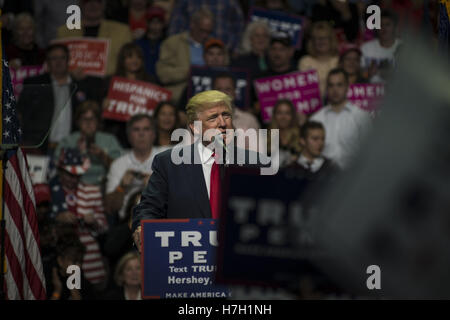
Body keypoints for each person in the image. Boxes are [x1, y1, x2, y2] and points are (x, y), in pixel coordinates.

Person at [132, 90, 269, 249]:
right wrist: (142, 227)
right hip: (188, 257)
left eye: (226, 115)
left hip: (239, 255)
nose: (223, 123)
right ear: (195, 127)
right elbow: (149, 207)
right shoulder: (169, 164)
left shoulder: (256, 163)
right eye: (213, 118)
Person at [17, 44, 103, 154]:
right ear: (47, 62)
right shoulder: (35, 84)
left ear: (68, 60)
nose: (58, 62)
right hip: (40, 148)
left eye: (62, 58)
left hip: (73, 146)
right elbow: (20, 113)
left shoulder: (82, 85)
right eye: (54, 58)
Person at [49, 147, 109, 287]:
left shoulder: (92, 191)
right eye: (69, 174)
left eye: (77, 175)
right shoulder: (50, 191)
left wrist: (93, 222)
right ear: (60, 171)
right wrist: (57, 218)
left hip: (89, 262)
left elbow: (104, 228)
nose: (73, 179)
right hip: (60, 261)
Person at [310, 68, 371, 169]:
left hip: (353, 175)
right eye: (331, 85)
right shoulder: (316, 119)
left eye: (339, 85)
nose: (335, 90)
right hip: (322, 177)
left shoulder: (361, 117)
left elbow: (369, 150)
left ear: (347, 86)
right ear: (327, 88)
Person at [104, 114, 165, 215]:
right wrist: (121, 187)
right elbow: (110, 208)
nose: (141, 134)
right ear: (129, 136)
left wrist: (156, 186)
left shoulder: (165, 158)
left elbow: (181, 198)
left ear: (154, 134)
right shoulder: (118, 164)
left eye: (146, 129)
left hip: (161, 219)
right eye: (136, 129)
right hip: (127, 223)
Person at [54, 100, 123, 186]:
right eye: (84, 119)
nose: (88, 123)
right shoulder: (68, 141)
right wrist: (76, 152)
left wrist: (103, 156)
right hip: (74, 188)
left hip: (103, 187)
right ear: (78, 121)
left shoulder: (109, 140)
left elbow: (122, 167)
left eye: (92, 118)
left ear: (98, 121)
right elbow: (57, 167)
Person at [57, 0, 133, 75]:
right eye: (87, 1)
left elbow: (129, 63)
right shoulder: (64, 32)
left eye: (97, 1)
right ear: (80, 5)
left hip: (108, 83)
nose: (92, 5)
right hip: (72, 83)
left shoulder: (122, 31)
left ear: (104, 5)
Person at [156, 8, 214, 104]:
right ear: (192, 24)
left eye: (209, 32)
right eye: (202, 31)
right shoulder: (172, 43)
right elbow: (163, 74)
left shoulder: (215, 45)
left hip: (208, 100)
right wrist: (189, 72)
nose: (205, 35)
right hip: (179, 100)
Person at [102, 42, 155, 148]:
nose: (134, 61)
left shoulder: (151, 82)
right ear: (122, 60)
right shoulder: (110, 81)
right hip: (116, 130)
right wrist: (104, 105)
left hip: (143, 131)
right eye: (130, 57)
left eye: (138, 57)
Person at [167, 0, 244, 55]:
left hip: (220, 53)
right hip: (189, 52)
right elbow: (176, 24)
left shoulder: (230, 1)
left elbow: (238, 24)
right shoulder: (185, 1)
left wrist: (230, 47)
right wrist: (177, 49)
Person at [298, 21, 340, 99]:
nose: (321, 41)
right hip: (311, 103)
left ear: (331, 40)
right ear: (312, 41)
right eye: (317, 38)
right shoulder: (305, 61)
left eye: (324, 38)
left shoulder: (338, 61)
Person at [360, 10, 402, 83]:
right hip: (371, 91)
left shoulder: (404, 48)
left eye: (387, 24)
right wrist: (368, 73)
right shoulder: (366, 48)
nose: (384, 28)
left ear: (395, 27)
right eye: (380, 25)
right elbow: (359, 75)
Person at [267, 99, 302, 168]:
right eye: (279, 113)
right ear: (274, 116)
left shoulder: (301, 136)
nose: (283, 117)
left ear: (293, 116)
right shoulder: (266, 137)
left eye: (287, 113)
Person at [135, 6, 167, 82]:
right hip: (141, 82)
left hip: (162, 83)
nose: (155, 25)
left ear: (163, 23)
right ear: (147, 22)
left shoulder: (168, 44)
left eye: (158, 21)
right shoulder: (138, 43)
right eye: (152, 21)